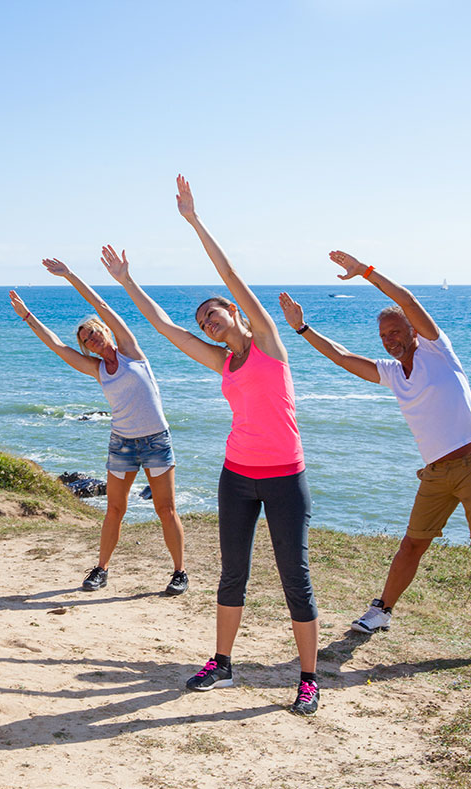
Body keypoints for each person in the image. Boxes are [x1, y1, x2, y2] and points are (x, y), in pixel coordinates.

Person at [104, 174, 321, 716]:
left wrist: (194, 220)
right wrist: (127, 281)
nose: (207, 322)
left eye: (214, 313)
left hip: (285, 475)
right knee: (233, 572)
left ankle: (309, 678)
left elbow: (230, 274)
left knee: (295, 575)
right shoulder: (221, 361)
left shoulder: (269, 343)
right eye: (203, 320)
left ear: (236, 315)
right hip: (238, 475)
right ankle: (222, 664)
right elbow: (160, 325)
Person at [279, 250, 471, 668]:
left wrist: (365, 272)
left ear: (414, 330)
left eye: (396, 330)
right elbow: (342, 357)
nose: (390, 338)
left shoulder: (438, 352)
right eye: (384, 334)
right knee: (411, 545)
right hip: (437, 473)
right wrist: (302, 329)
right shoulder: (390, 372)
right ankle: (381, 611)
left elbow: (405, 299)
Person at [9, 258, 187, 595]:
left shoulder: (132, 351)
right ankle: (101, 570)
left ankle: (179, 572)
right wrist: (28, 317)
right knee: (115, 509)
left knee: (166, 509)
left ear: (104, 330)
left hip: (155, 441)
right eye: (86, 340)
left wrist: (69, 275)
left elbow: (101, 305)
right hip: (122, 444)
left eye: (93, 332)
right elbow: (56, 346)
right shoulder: (96, 369)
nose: (91, 340)